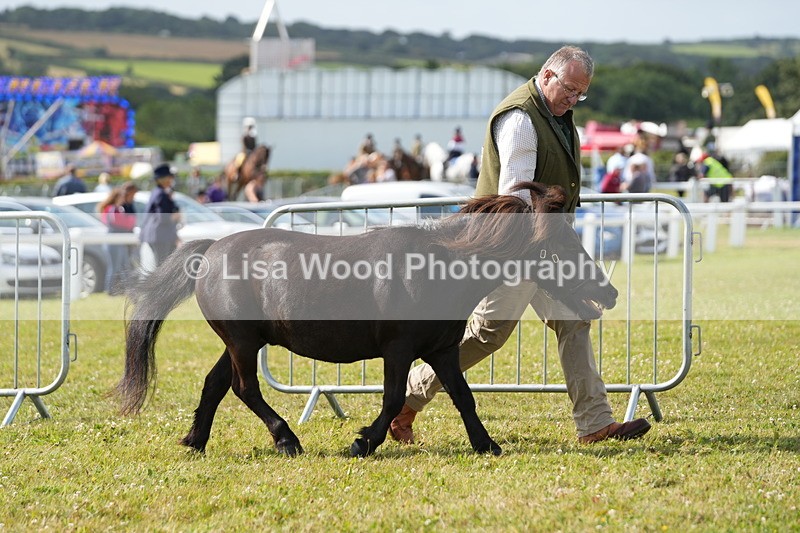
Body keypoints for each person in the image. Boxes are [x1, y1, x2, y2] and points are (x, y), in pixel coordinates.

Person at [389, 45, 651, 445]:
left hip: (544, 245)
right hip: (514, 246)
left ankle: (595, 424)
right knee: (485, 334)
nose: (573, 99)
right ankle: (402, 403)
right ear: (547, 75)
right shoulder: (521, 120)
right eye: (569, 89)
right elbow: (516, 199)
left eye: (581, 94)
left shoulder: (555, 115)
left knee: (573, 320)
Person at [139, 164, 181, 274]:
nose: (172, 180)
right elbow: (163, 217)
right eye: (170, 177)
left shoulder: (157, 192)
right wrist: (175, 216)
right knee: (162, 266)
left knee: (161, 265)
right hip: (161, 235)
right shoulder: (161, 194)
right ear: (164, 179)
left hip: (158, 235)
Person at [98, 183, 138, 294]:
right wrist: (130, 221)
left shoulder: (116, 209)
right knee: (114, 267)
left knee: (123, 266)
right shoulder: (112, 209)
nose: (123, 200)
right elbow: (122, 223)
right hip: (113, 242)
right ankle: (109, 290)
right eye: (121, 198)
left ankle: (127, 289)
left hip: (118, 241)